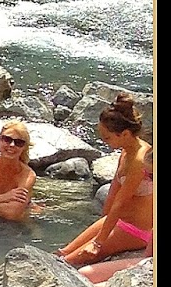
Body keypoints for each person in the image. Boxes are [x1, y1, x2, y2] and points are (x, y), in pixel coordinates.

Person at [58, 95, 154, 267]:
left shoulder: (140, 160)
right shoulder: (126, 151)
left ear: (124, 133)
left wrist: (97, 243)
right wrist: (101, 225)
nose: (104, 142)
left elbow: (120, 203)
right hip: (119, 220)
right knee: (63, 253)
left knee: (69, 261)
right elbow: (113, 192)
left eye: (107, 138)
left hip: (137, 230)